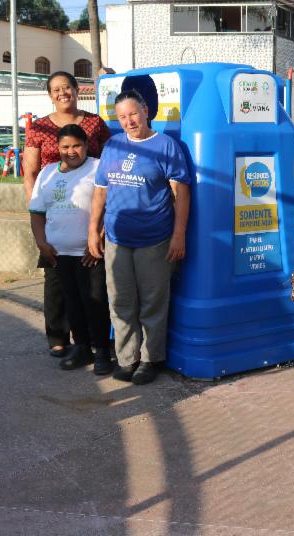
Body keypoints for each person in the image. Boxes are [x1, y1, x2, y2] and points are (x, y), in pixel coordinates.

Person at [88, 89, 190, 386]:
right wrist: (93, 229)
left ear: (146, 110)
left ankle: (150, 359)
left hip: (155, 237)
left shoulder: (166, 146)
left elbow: (181, 193)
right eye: (121, 117)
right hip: (118, 238)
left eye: (133, 113)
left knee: (152, 302)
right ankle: (126, 358)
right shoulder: (113, 145)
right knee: (120, 301)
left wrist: (179, 234)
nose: (128, 121)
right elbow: (100, 191)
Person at [24, 71, 110, 358]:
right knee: (57, 282)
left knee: (91, 287)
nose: (63, 93)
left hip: (90, 204)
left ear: (76, 90)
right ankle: (59, 336)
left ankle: (93, 343)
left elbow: (108, 163)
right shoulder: (39, 127)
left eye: (67, 88)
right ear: (50, 95)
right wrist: (40, 214)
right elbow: (31, 172)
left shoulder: (95, 123)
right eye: (56, 89)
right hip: (54, 205)